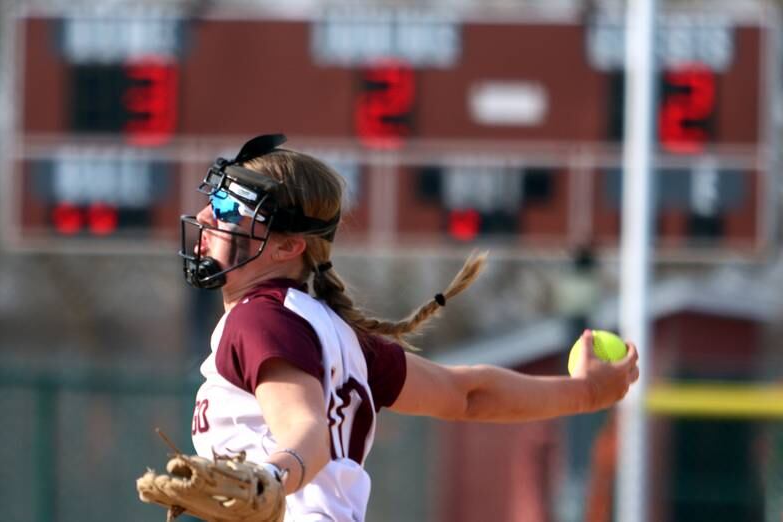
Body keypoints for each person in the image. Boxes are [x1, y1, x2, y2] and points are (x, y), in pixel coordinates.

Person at [179, 134, 640, 521]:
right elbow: (467, 394)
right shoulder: (336, 335)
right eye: (214, 200)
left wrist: (270, 477)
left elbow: (307, 432)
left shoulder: (260, 319)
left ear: (287, 247)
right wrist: (585, 394)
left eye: (226, 207)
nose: (205, 217)